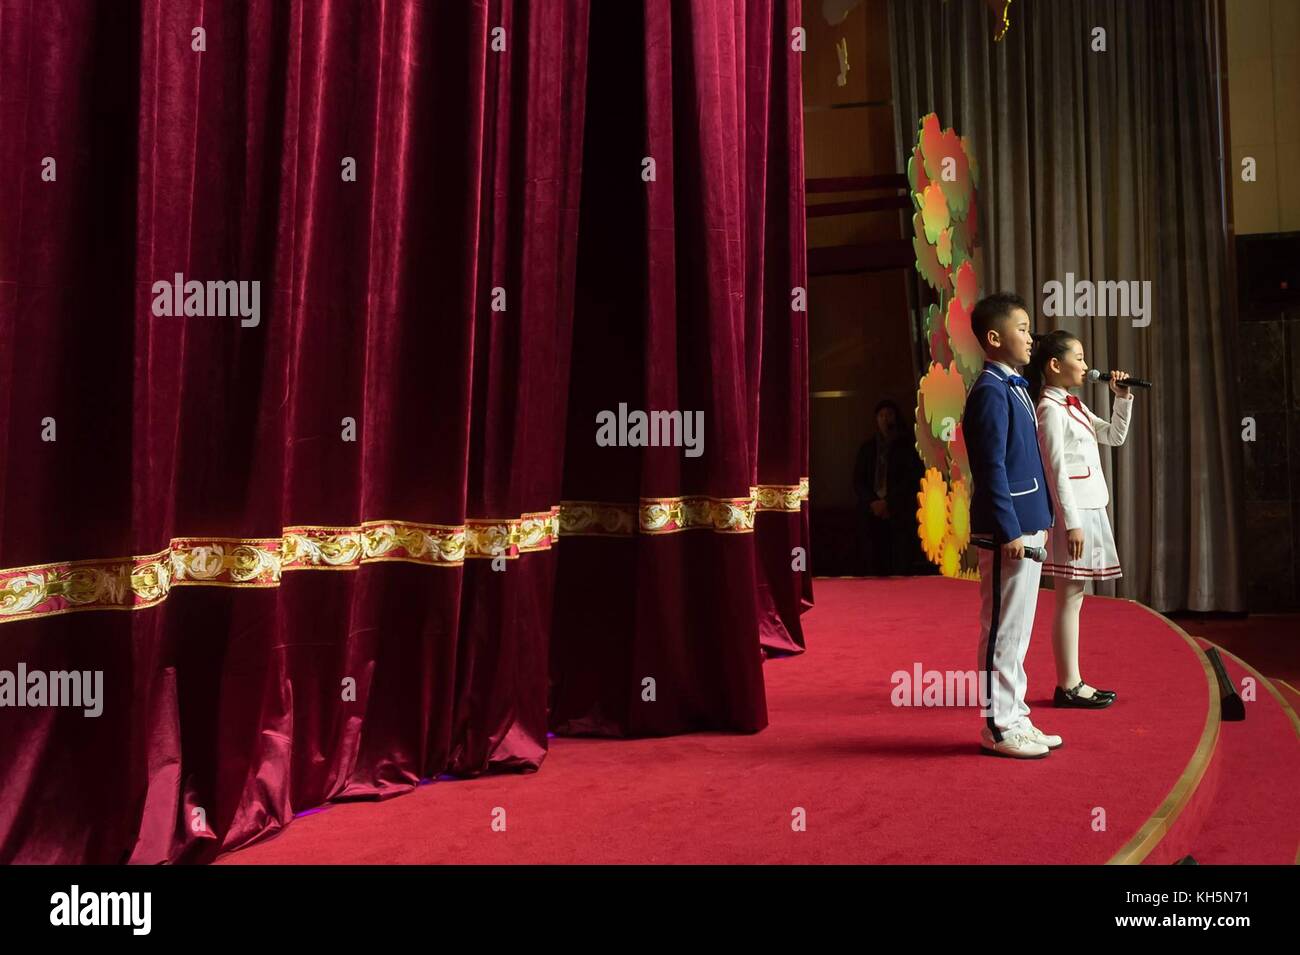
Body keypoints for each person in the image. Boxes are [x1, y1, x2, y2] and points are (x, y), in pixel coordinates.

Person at [963, 292, 1061, 759]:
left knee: (1019, 629)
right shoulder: (988, 391)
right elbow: (992, 469)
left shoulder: (1015, 385)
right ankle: (998, 727)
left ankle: (1017, 714)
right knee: (1002, 627)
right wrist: (1010, 531)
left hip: (1029, 525)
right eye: (1022, 328)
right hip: (1010, 533)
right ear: (995, 338)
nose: (1031, 336)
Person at [1026, 330, 1133, 709]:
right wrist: (1070, 522)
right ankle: (1068, 685)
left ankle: (1072, 681)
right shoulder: (1049, 409)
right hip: (1074, 513)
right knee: (1069, 598)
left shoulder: (1073, 405)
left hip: (1090, 507)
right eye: (1080, 358)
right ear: (1055, 365)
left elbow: (1115, 437)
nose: (1087, 366)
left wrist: (1122, 399)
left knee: (1075, 597)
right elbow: (1054, 470)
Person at [853, 399, 925, 575]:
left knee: (900, 563)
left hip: (899, 513)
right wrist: (873, 502)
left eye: (889, 415)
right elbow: (858, 481)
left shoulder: (907, 447)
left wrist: (888, 502)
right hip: (871, 513)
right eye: (881, 415)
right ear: (876, 419)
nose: (885, 419)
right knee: (874, 562)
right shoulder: (867, 448)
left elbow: (911, 479)